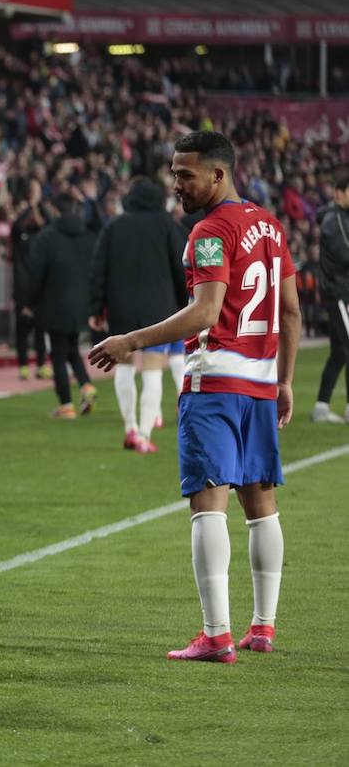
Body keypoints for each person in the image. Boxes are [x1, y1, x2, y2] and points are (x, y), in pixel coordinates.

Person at [91, 130, 297, 662]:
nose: (176, 183)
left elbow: (206, 312)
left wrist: (131, 339)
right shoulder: (271, 226)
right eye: (174, 171)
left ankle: (216, 635)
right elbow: (291, 311)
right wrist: (285, 380)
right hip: (258, 384)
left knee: (208, 504)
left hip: (214, 385)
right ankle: (264, 627)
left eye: (186, 173)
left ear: (218, 174)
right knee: (261, 506)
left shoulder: (209, 232)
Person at [88, 177, 186, 452]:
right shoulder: (167, 225)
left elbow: (98, 269)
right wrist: (184, 305)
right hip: (160, 309)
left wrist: (96, 308)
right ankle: (144, 435)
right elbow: (182, 269)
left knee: (125, 366)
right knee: (153, 370)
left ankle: (130, 427)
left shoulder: (115, 226)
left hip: (121, 307)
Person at [27, 196, 98, 419]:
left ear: (55, 211)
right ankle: (86, 385)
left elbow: (36, 274)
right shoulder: (88, 236)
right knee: (72, 350)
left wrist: (30, 302)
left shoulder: (46, 237)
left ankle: (66, 405)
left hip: (54, 302)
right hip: (81, 303)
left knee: (57, 355)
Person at [313, 167, 349, 423]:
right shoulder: (334, 219)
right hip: (338, 290)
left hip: (341, 290)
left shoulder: (340, 217)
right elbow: (344, 252)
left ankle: (321, 407)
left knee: (339, 352)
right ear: (338, 193)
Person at [10, 182, 52, 380]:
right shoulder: (20, 235)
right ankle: (23, 366)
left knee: (40, 329)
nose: (34, 217)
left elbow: (51, 223)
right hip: (22, 288)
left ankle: (42, 364)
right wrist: (30, 204)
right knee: (22, 330)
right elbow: (15, 224)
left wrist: (39, 203)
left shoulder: (43, 237)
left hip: (40, 289)